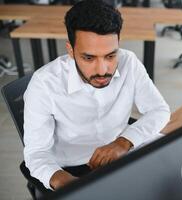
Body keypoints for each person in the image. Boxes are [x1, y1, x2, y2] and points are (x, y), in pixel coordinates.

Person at [23, 0, 170, 191]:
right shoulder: (43, 84)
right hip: (74, 167)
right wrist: (66, 184)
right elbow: (37, 152)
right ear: (71, 50)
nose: (102, 71)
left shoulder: (129, 62)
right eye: (89, 58)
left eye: (110, 56)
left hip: (120, 153)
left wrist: (123, 141)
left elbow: (159, 110)